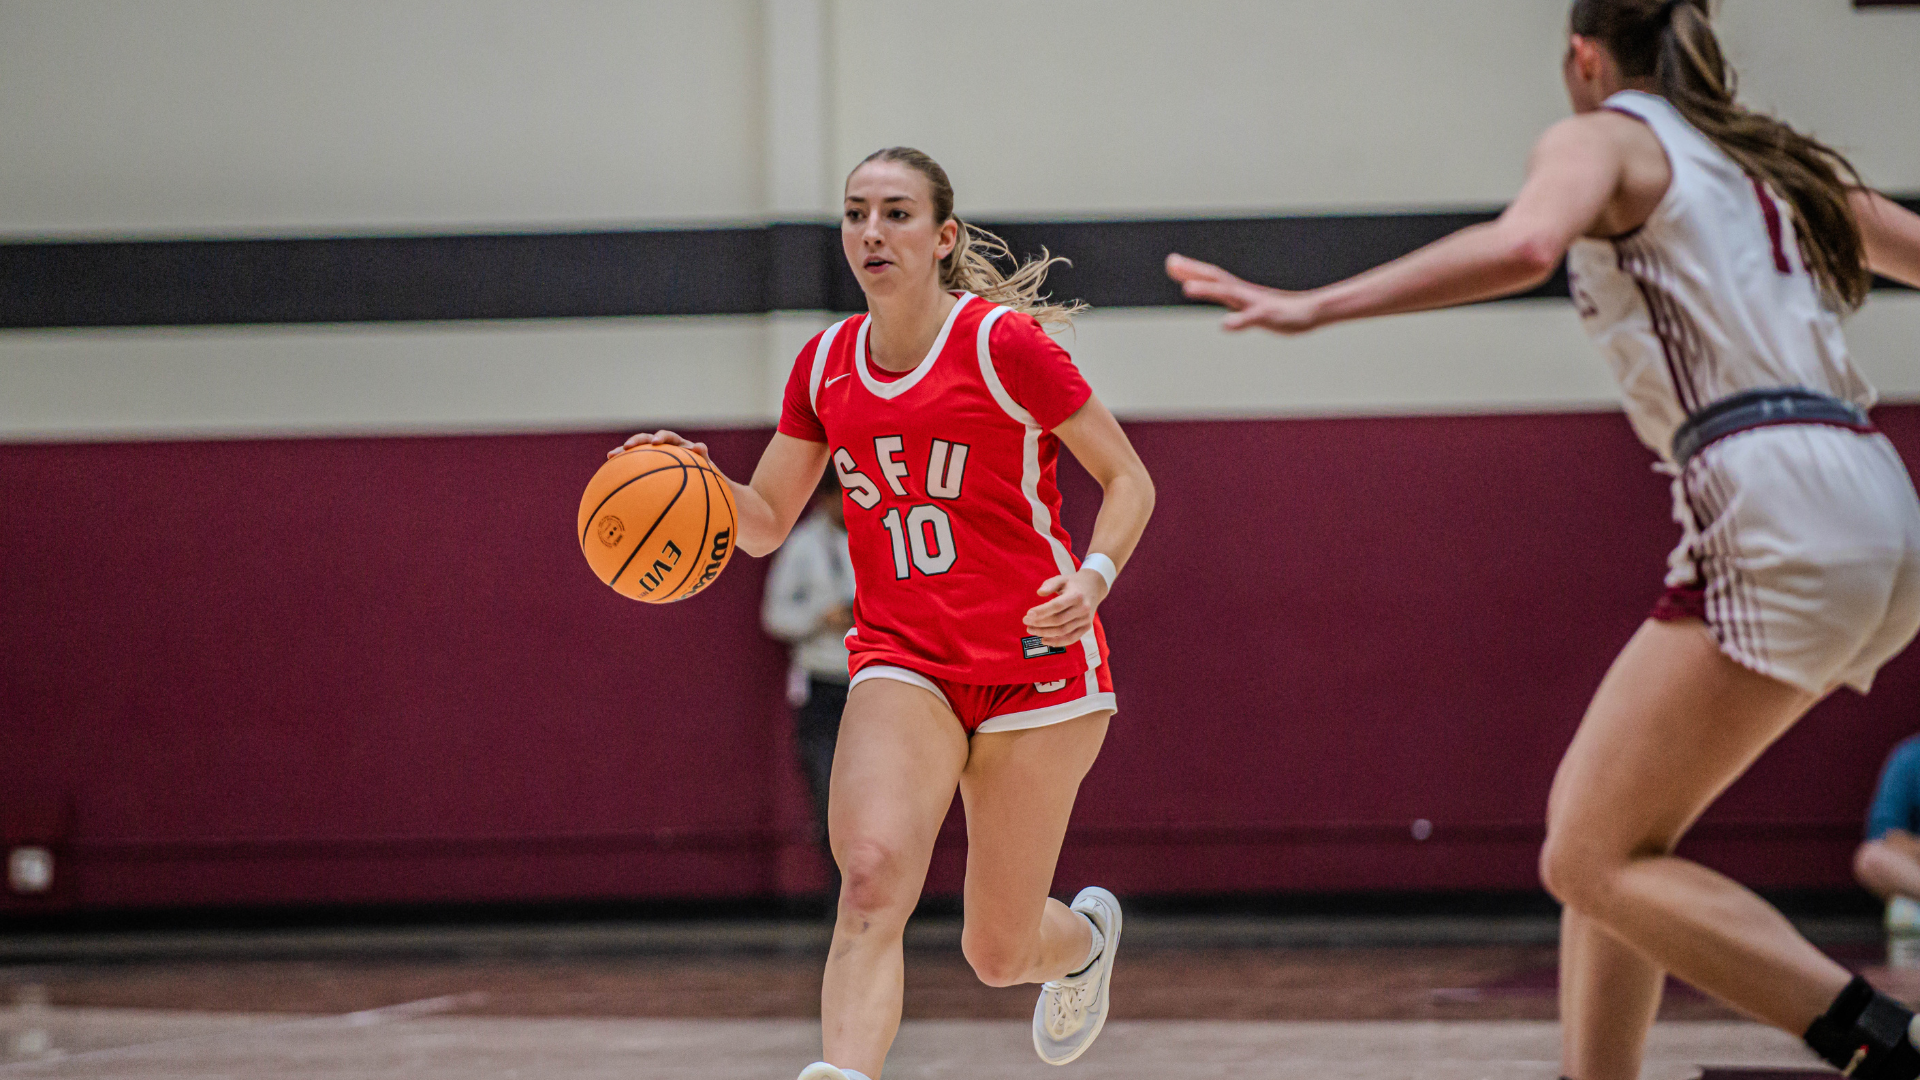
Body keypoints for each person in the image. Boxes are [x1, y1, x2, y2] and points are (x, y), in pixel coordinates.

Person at [1166, 3, 1920, 1080]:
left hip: (1773, 494)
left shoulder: (1607, 132)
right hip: (1878, 492)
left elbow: (1525, 240)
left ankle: (1879, 1040)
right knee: (1619, 842)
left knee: (1587, 853)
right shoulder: (1772, 161)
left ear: (1583, 55)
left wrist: (1317, 307)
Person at [614, 146, 1155, 1080]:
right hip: (905, 661)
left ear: (943, 237)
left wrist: (1095, 575)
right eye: (857, 212)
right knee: (868, 879)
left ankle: (1086, 945)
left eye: (897, 213)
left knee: (998, 953)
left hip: (1038, 666)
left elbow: (1128, 479)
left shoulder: (1001, 347)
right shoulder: (825, 364)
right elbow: (767, 520)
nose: (872, 230)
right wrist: (699, 483)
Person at [762, 471, 858, 886]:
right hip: (823, 684)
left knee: (874, 797)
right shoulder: (802, 545)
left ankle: (878, 890)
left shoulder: (879, 533)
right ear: (822, 498)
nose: (844, 507)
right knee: (827, 793)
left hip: (872, 681)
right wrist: (821, 618)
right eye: (838, 498)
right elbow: (775, 616)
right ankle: (840, 893)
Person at [1856, 735, 1920, 939]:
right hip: (1915, 864)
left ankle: (1911, 907)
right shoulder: (1909, 756)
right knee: (1871, 857)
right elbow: (1885, 833)